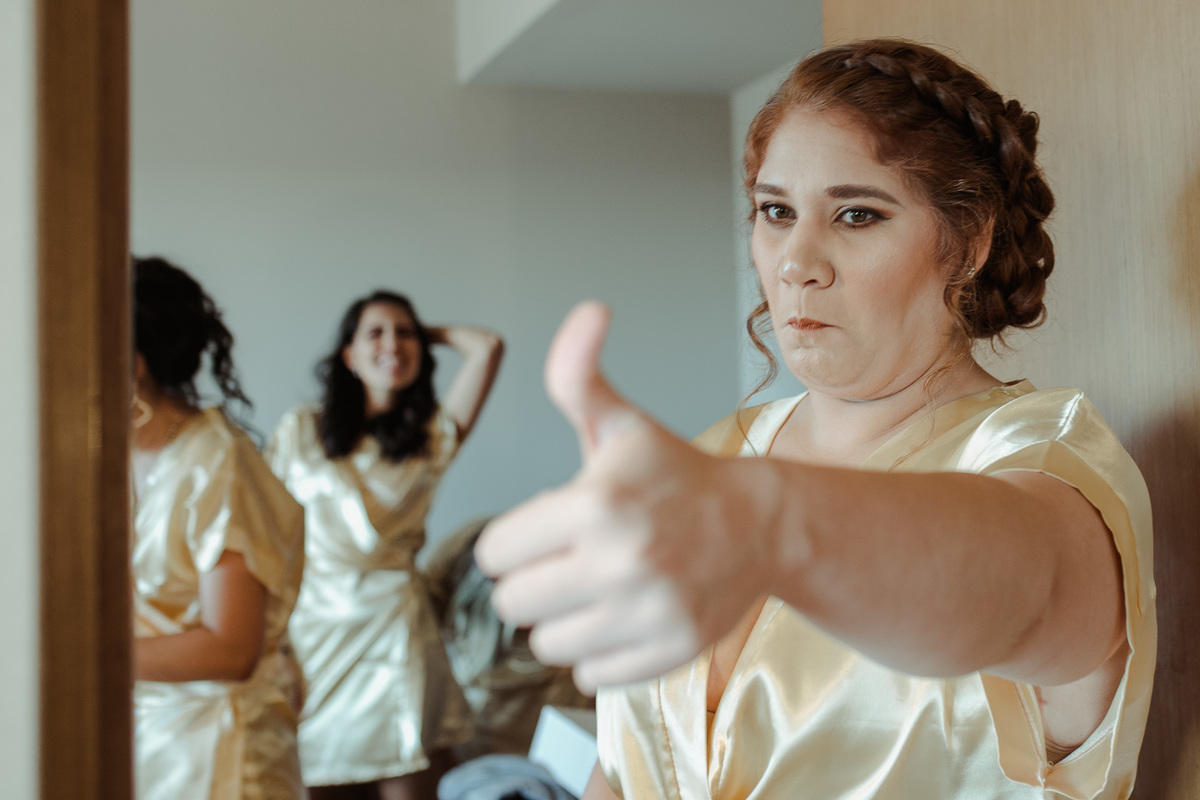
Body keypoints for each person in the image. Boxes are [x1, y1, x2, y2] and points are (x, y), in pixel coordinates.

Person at [475, 39, 1155, 800]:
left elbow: (1023, 589)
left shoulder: (1047, 468)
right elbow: (632, 763)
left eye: (857, 214)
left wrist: (772, 526)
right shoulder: (719, 456)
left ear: (969, 241)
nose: (797, 259)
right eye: (775, 211)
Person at [268, 290, 504, 800]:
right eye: (375, 332)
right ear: (347, 356)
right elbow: (269, 536)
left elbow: (486, 347)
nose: (392, 342)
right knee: (313, 782)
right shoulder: (300, 430)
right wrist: (276, 647)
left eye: (405, 332)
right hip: (314, 635)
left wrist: (420, 336)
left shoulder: (432, 437)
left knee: (405, 782)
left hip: (393, 637)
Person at [131, 256, 306, 800]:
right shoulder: (114, 459)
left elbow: (231, 648)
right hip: (147, 738)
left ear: (133, 363)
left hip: (219, 753)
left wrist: (81, 656)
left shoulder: (216, 462)